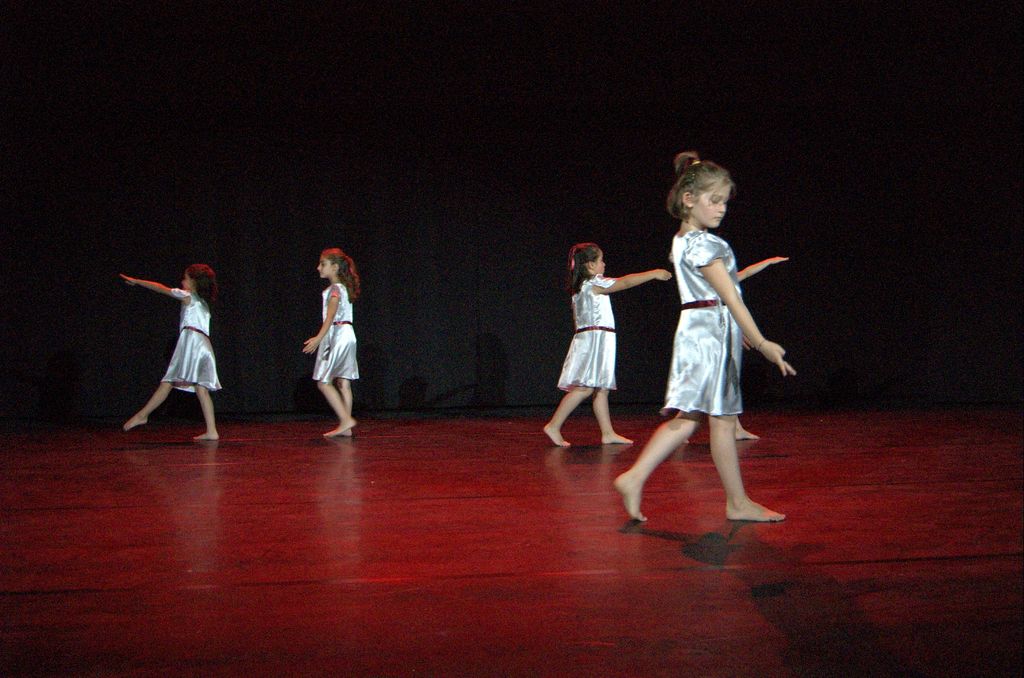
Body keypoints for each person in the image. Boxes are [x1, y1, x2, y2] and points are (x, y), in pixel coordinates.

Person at [614, 152, 796, 522]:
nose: (721, 209)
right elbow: (730, 297)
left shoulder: (683, 240)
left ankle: (635, 477)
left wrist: (737, 332)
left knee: (690, 417)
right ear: (689, 199)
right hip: (709, 333)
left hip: (702, 328)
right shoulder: (704, 244)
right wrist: (762, 342)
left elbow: (718, 296)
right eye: (714, 200)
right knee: (721, 419)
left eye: (725, 202)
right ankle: (737, 503)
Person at [543, 243, 672, 447]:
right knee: (585, 388)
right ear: (590, 265)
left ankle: (608, 433)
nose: (604, 264)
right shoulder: (592, 284)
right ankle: (554, 425)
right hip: (593, 340)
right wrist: (653, 273)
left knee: (601, 388)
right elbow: (625, 282)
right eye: (601, 260)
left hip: (599, 338)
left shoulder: (583, 287)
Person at [121, 265, 221, 441]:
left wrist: (137, 281)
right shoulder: (204, 303)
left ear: (193, 282)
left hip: (192, 341)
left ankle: (142, 415)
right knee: (201, 388)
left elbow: (161, 288)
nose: (182, 281)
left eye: (185, 278)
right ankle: (212, 431)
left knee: (169, 381)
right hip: (204, 345)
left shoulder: (188, 296)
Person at [303, 248, 360, 437]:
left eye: (323, 264)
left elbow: (331, 315)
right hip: (347, 334)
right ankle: (347, 427)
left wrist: (319, 338)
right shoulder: (342, 288)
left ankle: (345, 420)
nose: (318, 268)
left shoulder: (335, 289)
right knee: (343, 382)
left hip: (338, 334)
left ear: (334, 267)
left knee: (324, 382)